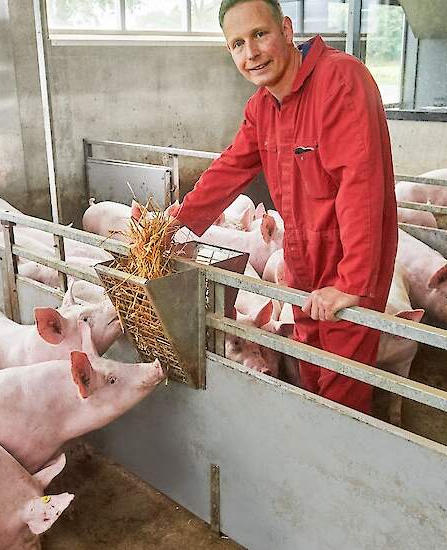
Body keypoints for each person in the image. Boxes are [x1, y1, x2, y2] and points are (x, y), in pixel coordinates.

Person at [170, 0, 397, 414]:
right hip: (299, 258)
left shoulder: (340, 79)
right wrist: (178, 221)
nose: (250, 53)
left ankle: (339, 463)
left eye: (259, 34)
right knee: (307, 364)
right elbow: (232, 165)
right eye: (237, 43)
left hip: (347, 259)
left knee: (342, 383)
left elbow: (359, 183)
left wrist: (351, 281)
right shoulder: (261, 106)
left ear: (287, 31)